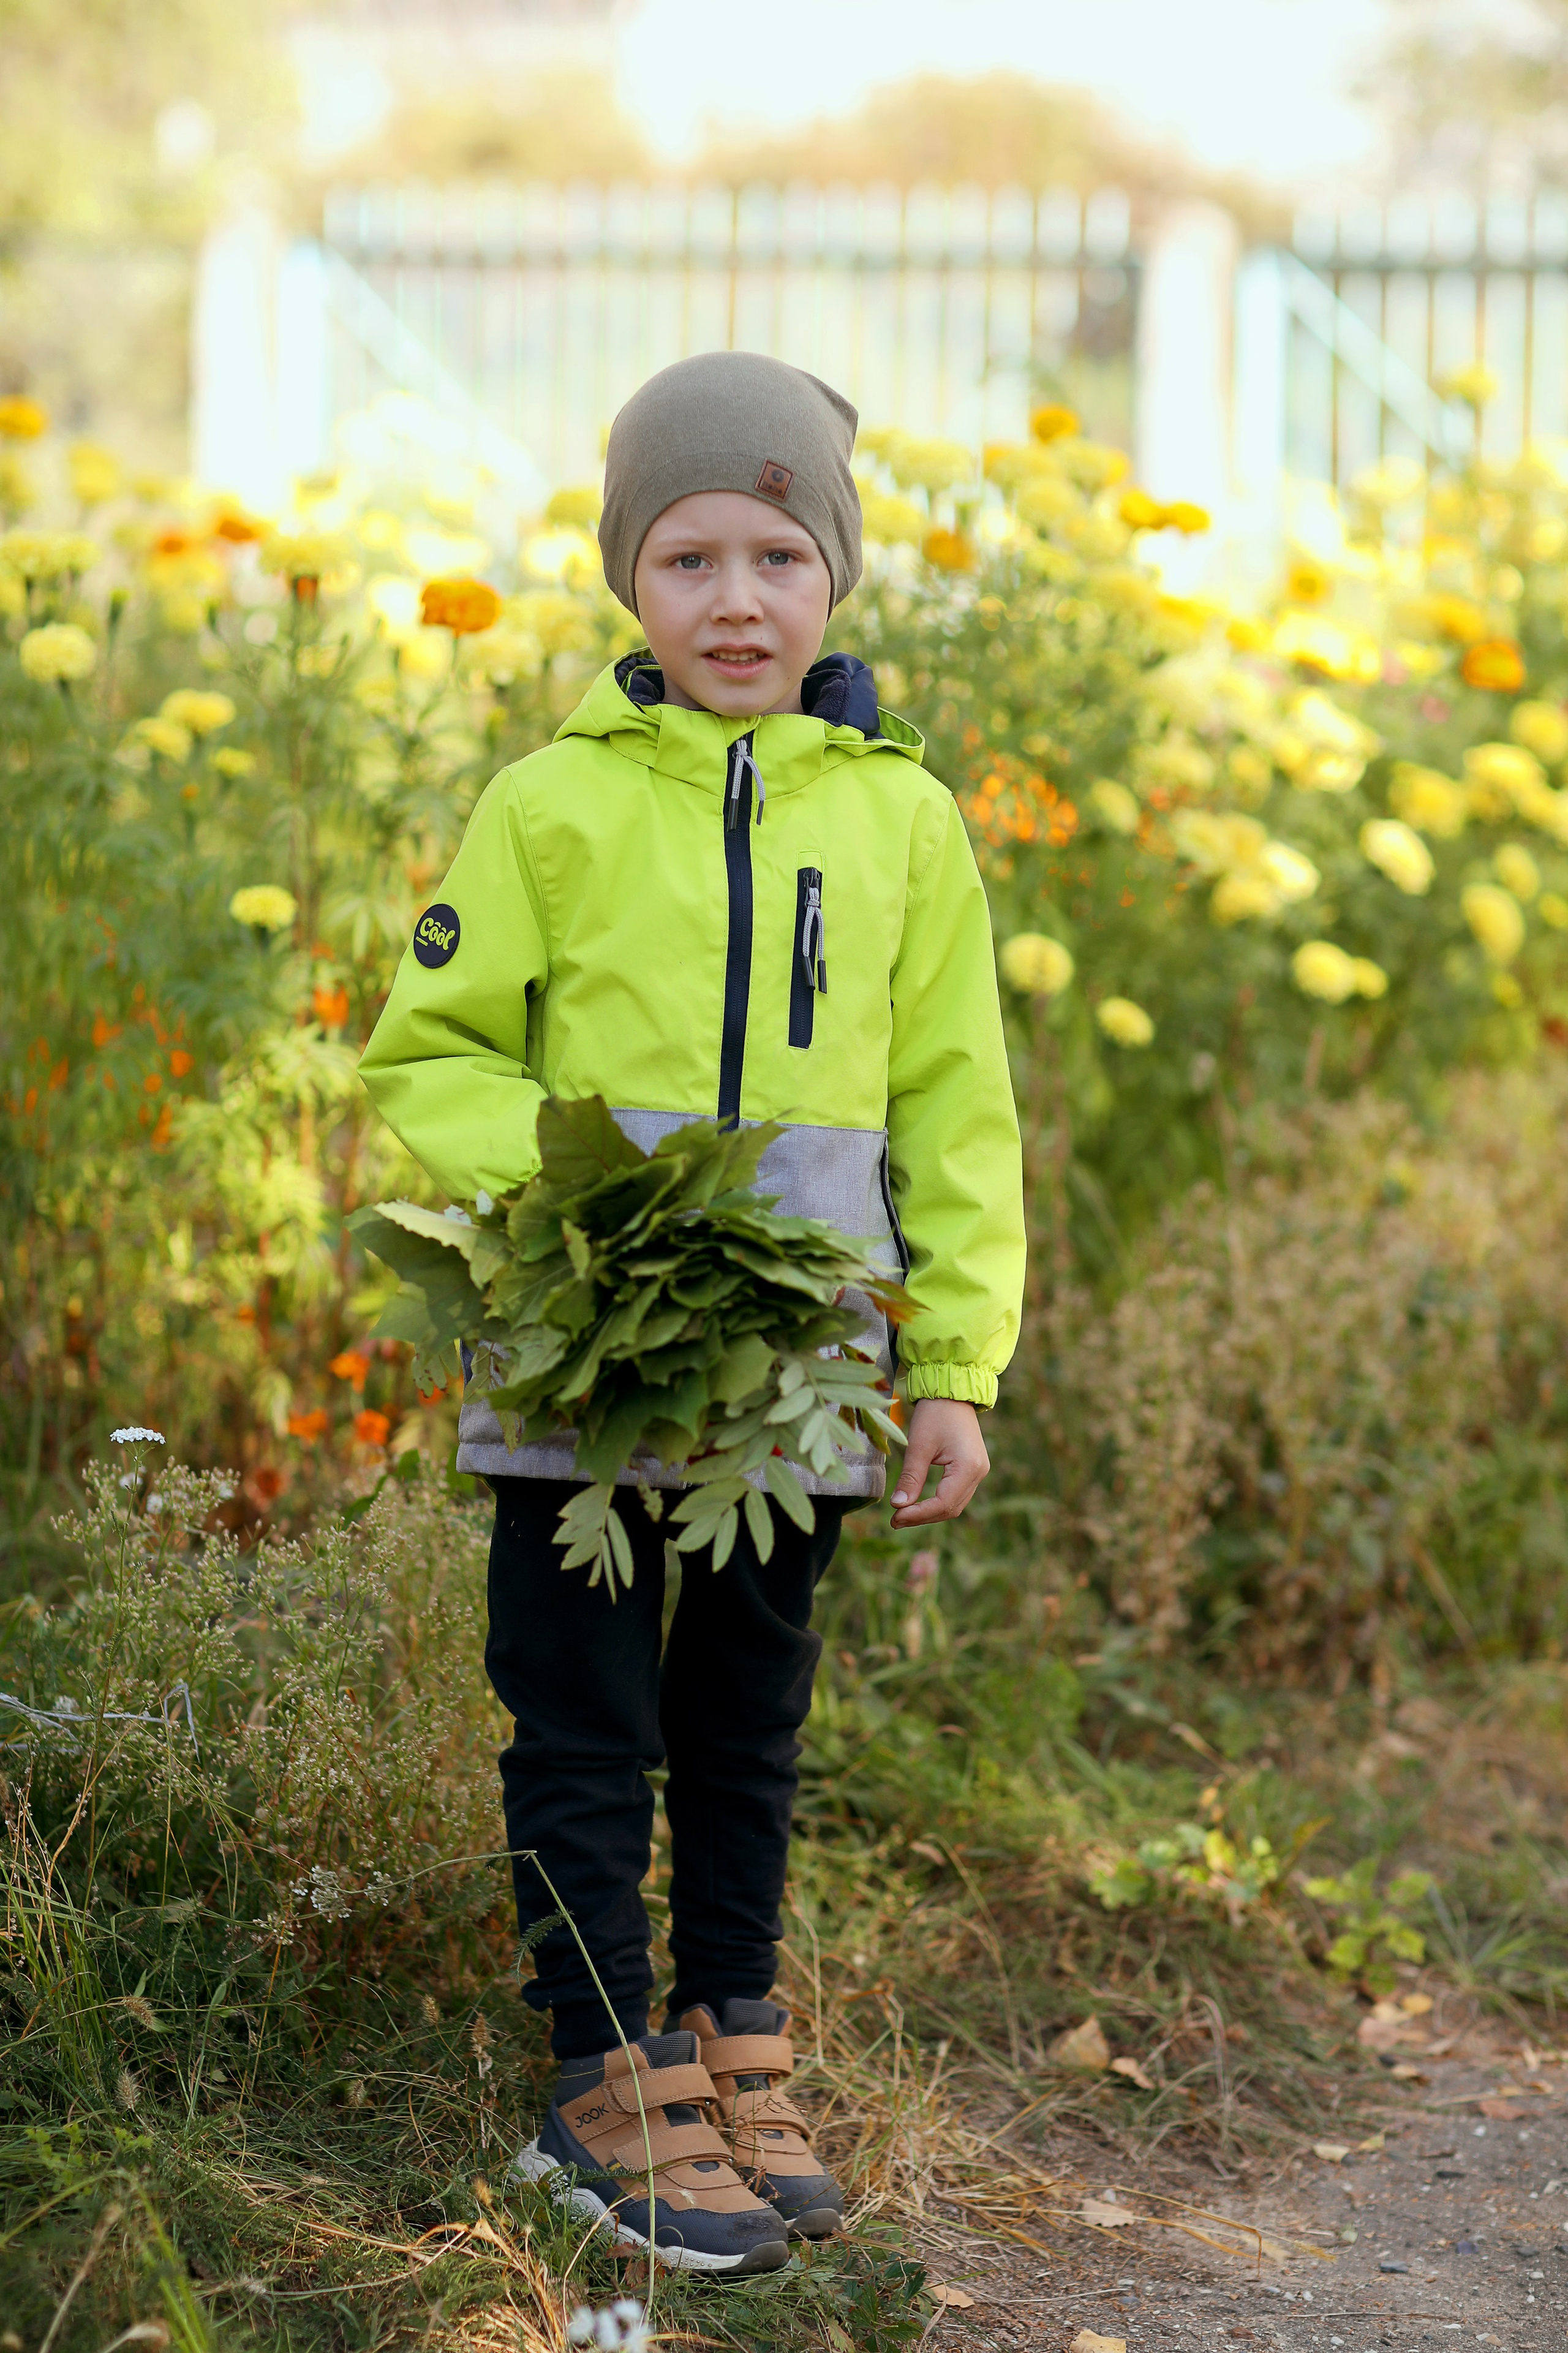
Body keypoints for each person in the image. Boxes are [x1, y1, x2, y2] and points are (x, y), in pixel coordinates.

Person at [359, 350, 1025, 2275]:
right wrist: (580, 1175)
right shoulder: (550, 806)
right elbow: (431, 1054)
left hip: (799, 1359)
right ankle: (597, 2070)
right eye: (689, 557)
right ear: (626, 584)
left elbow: (955, 1113)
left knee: (748, 1712)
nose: (738, 600)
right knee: (582, 1709)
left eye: (778, 553)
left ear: (837, 578)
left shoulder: (907, 828)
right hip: (581, 1334)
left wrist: (956, 1362)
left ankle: (735, 2042)